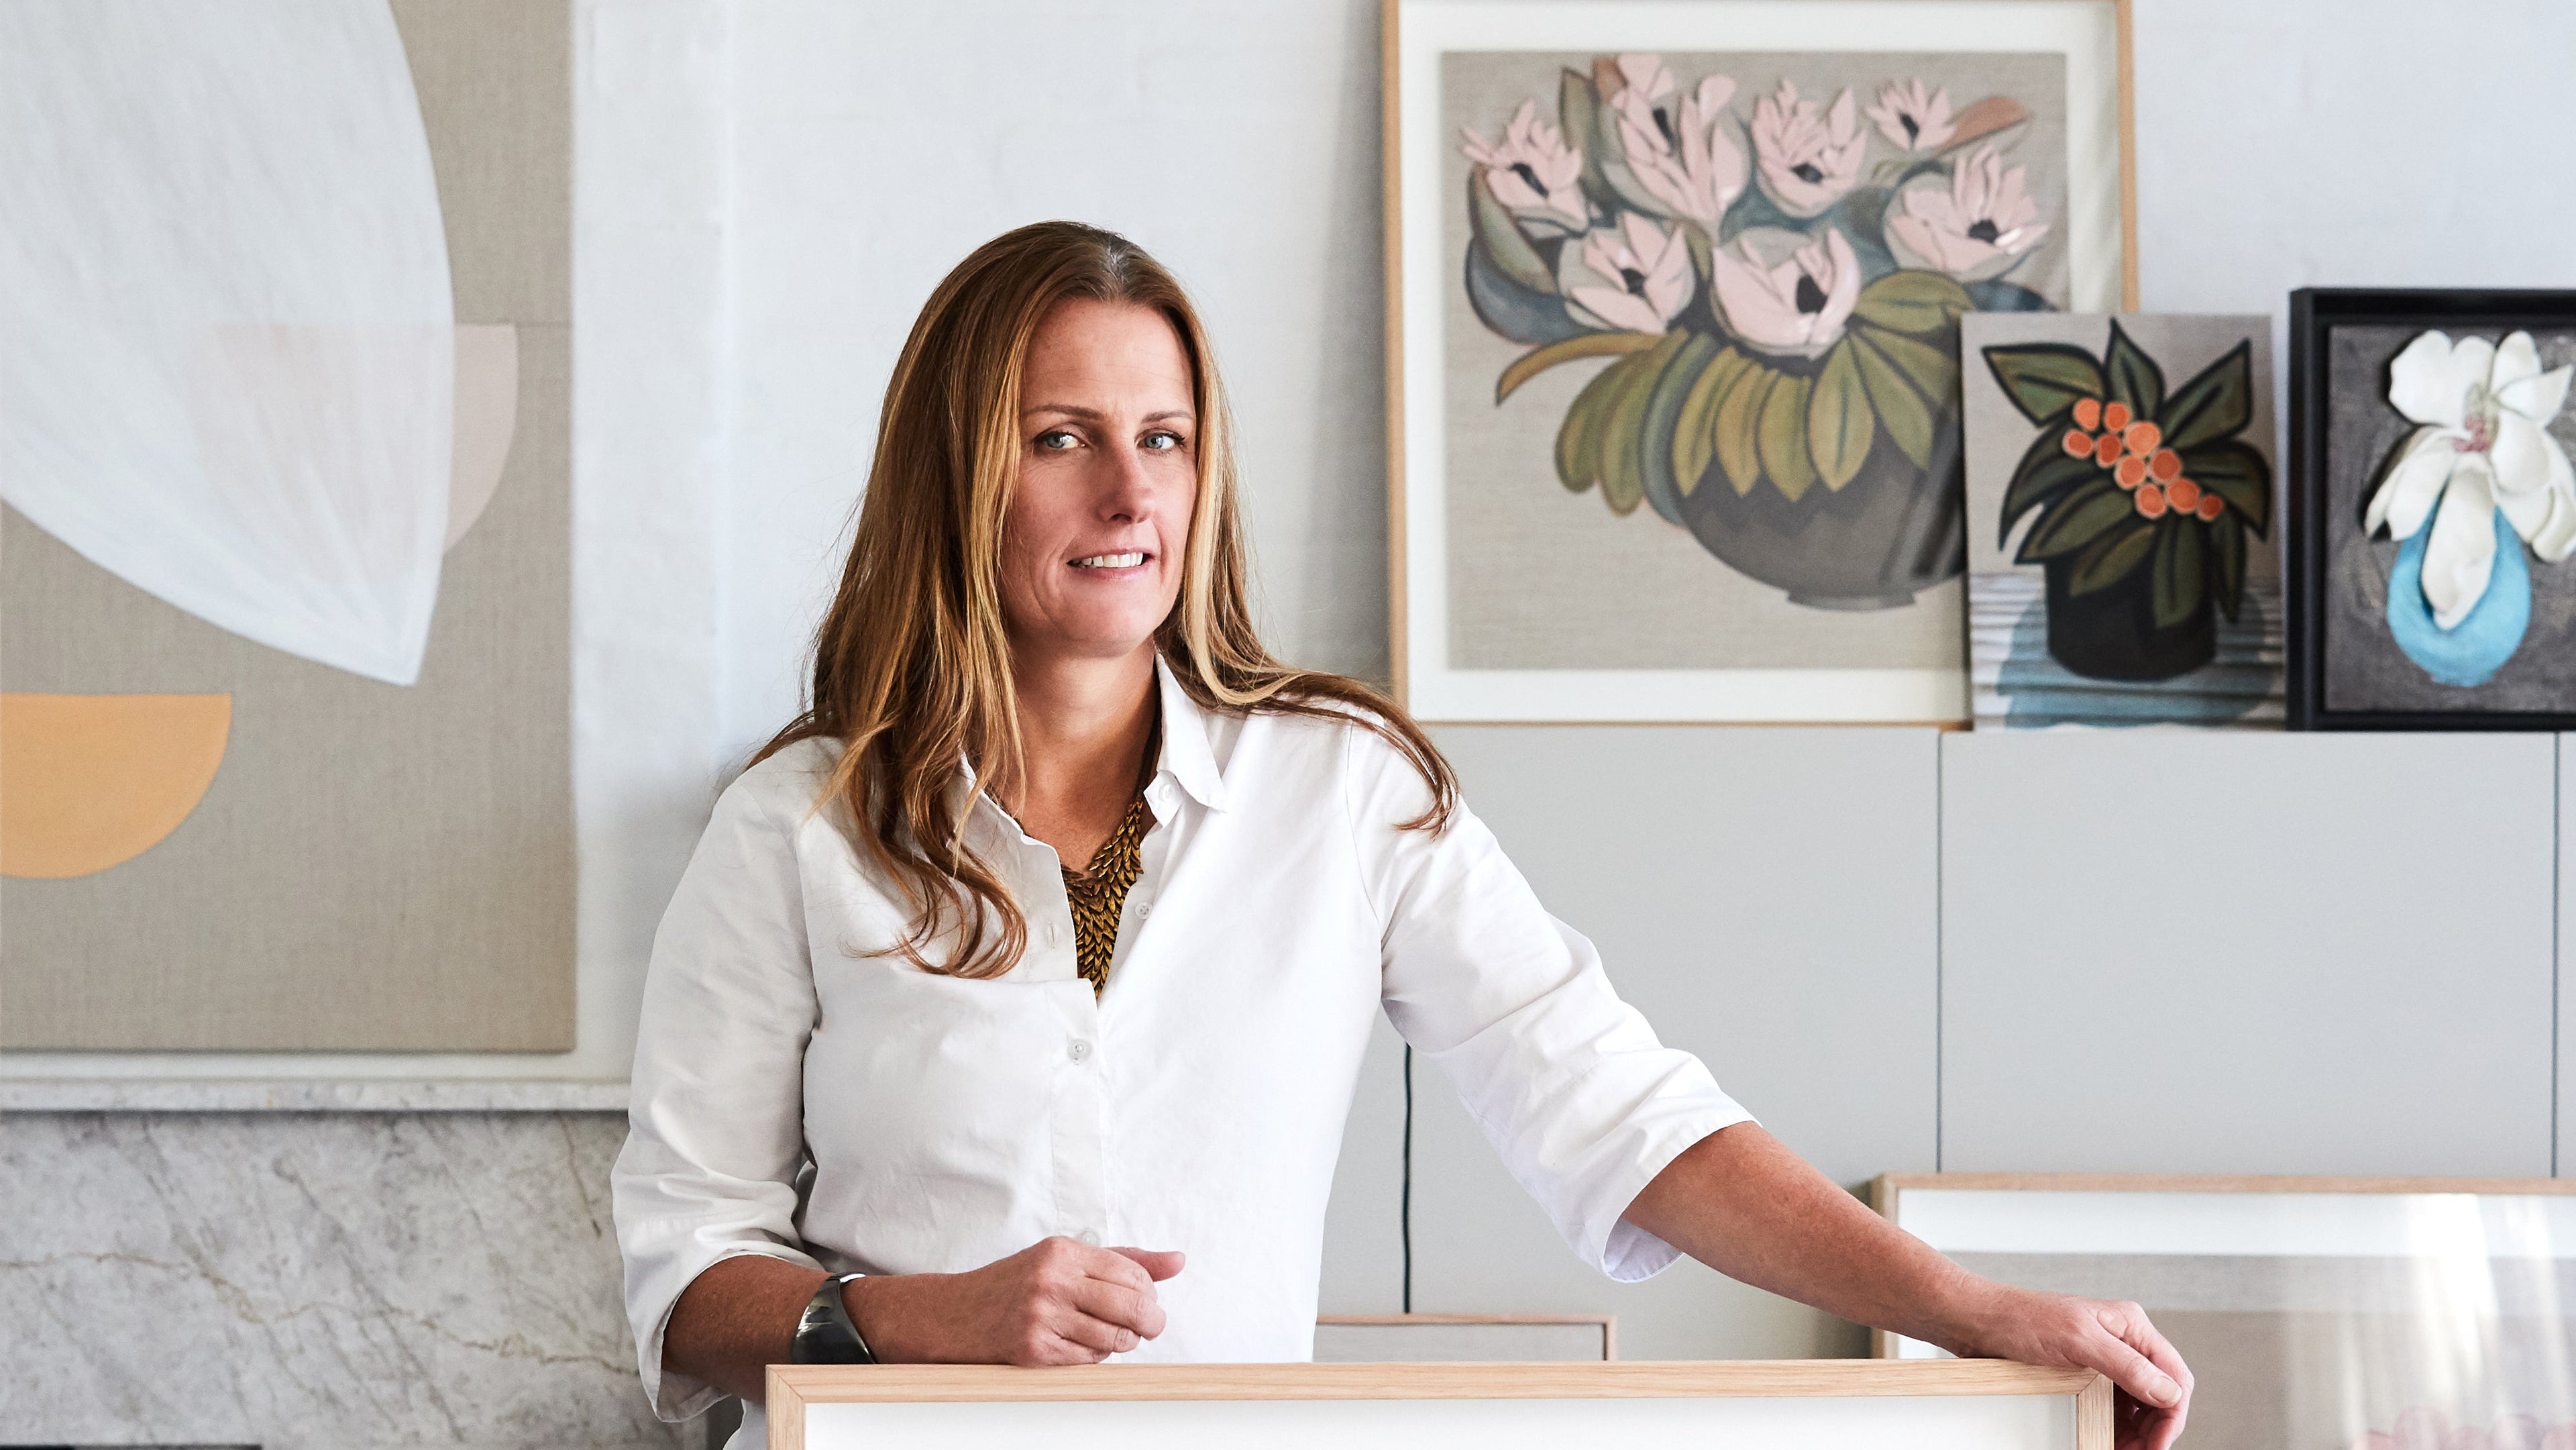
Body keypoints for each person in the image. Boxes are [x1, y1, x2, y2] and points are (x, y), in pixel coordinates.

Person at [610, 220, 2194, 1450]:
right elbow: (681, 1283)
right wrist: (911, 1318)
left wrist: (1976, 1311)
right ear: (957, 471)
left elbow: (1618, 1110)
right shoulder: (792, 831)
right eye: (1060, 436)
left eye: (1164, 438)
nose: (1127, 491)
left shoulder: (1346, 791)